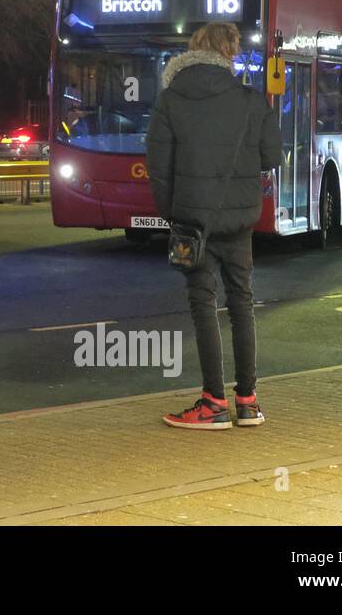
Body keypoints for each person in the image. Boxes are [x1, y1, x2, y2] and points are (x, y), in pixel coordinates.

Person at [145, 22, 282, 430]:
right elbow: (271, 157)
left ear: (194, 50)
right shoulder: (251, 100)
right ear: (231, 53)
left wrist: (174, 213)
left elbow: (158, 166)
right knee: (242, 302)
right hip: (238, 221)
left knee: (203, 305)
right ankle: (248, 401)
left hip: (193, 222)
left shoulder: (171, 99)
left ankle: (212, 402)